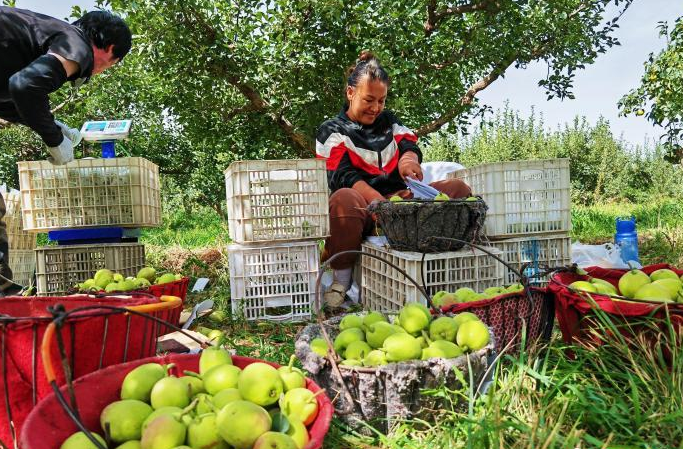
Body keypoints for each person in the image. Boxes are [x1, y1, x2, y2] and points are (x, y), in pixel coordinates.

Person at [316, 52, 472, 307]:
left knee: (458, 189)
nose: (376, 108)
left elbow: (409, 145)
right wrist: (380, 204)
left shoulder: (389, 122)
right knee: (342, 200)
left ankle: (440, 269)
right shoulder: (331, 130)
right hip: (364, 208)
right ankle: (341, 282)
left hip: (401, 204)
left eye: (381, 101)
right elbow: (343, 176)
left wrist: (408, 161)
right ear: (350, 93)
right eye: (369, 100)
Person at [0, 7, 132, 295]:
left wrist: (54, 126)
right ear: (110, 49)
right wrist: (54, 140)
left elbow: (10, 97)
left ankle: (3, 296)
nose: (103, 70)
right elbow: (24, 85)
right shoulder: (77, 44)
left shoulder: (42, 35)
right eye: (112, 64)